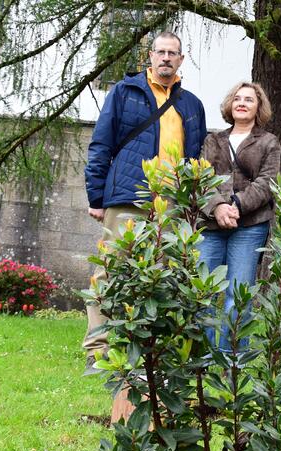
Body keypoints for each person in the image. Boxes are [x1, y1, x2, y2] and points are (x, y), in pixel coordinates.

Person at [83, 31, 206, 374]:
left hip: (172, 204)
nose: (166, 58)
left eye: (173, 53)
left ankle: (153, 352)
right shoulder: (124, 92)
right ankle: (98, 350)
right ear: (150, 56)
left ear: (181, 60)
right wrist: (96, 196)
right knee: (108, 273)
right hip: (128, 196)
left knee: (165, 278)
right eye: (161, 52)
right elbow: (101, 144)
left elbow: (194, 156)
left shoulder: (192, 104)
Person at [199, 82, 280, 352]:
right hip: (210, 225)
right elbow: (202, 179)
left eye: (249, 99)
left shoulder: (269, 142)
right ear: (230, 105)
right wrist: (219, 207)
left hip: (249, 227)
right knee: (204, 292)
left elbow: (267, 182)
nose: (242, 103)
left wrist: (236, 205)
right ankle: (203, 358)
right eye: (237, 98)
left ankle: (231, 358)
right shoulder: (213, 140)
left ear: (259, 107)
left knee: (239, 294)